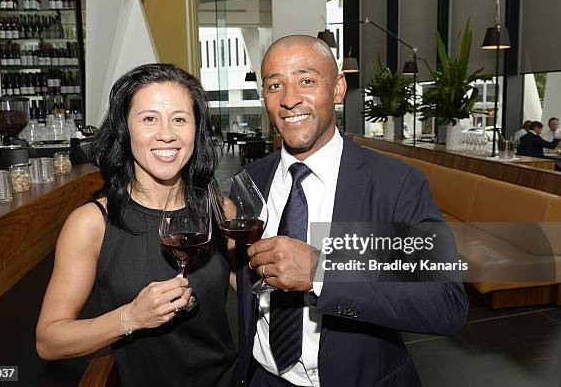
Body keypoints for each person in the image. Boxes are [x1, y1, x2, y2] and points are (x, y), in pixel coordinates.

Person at [235, 35, 468, 387]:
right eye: (274, 85)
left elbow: (447, 305)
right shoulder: (251, 180)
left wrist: (321, 273)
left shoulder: (395, 184)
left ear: (339, 88)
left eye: (307, 80)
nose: (290, 99)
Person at [36, 64, 238, 387]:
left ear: (196, 129)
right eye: (149, 119)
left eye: (180, 119)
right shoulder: (91, 224)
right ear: (125, 128)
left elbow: (257, 292)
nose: (167, 134)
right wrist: (132, 316)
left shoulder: (219, 209)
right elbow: (48, 341)